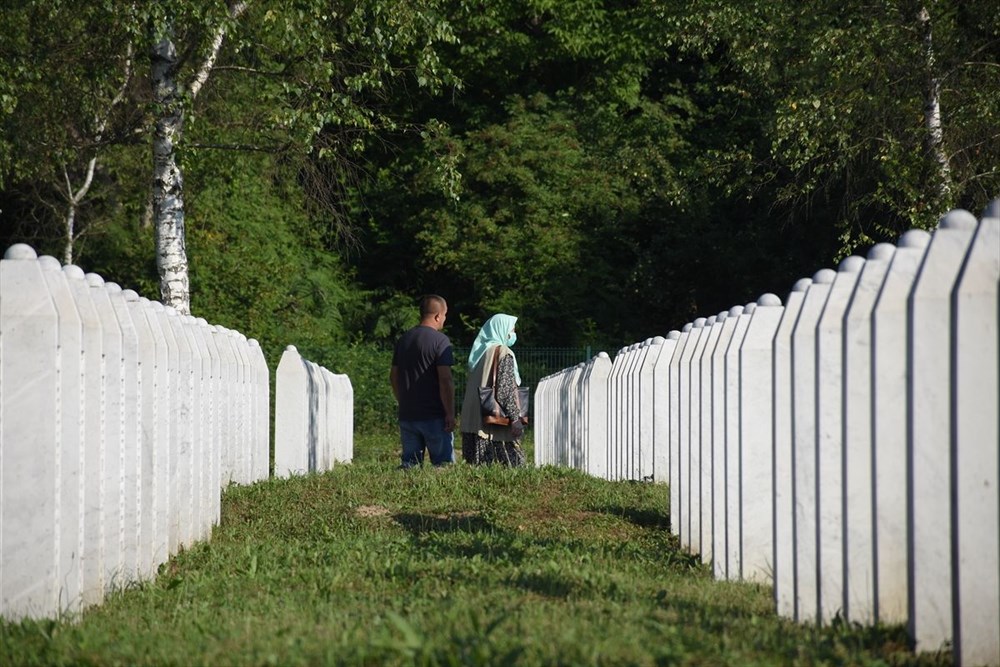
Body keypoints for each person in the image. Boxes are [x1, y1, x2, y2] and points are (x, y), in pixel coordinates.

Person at [390, 295, 456, 468]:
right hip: (434, 415)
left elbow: (394, 375)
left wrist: (402, 400)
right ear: (437, 316)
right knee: (443, 466)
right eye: (445, 315)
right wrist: (449, 412)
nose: (444, 319)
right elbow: (445, 379)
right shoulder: (440, 341)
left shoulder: (403, 340)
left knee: (409, 466)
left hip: (408, 414)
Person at [459, 313, 526, 466]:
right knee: (512, 471)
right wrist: (515, 419)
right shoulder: (503, 352)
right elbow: (504, 390)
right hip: (493, 429)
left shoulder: (479, 354)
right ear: (501, 330)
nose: (513, 335)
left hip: (472, 425)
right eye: (512, 330)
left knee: (477, 477)